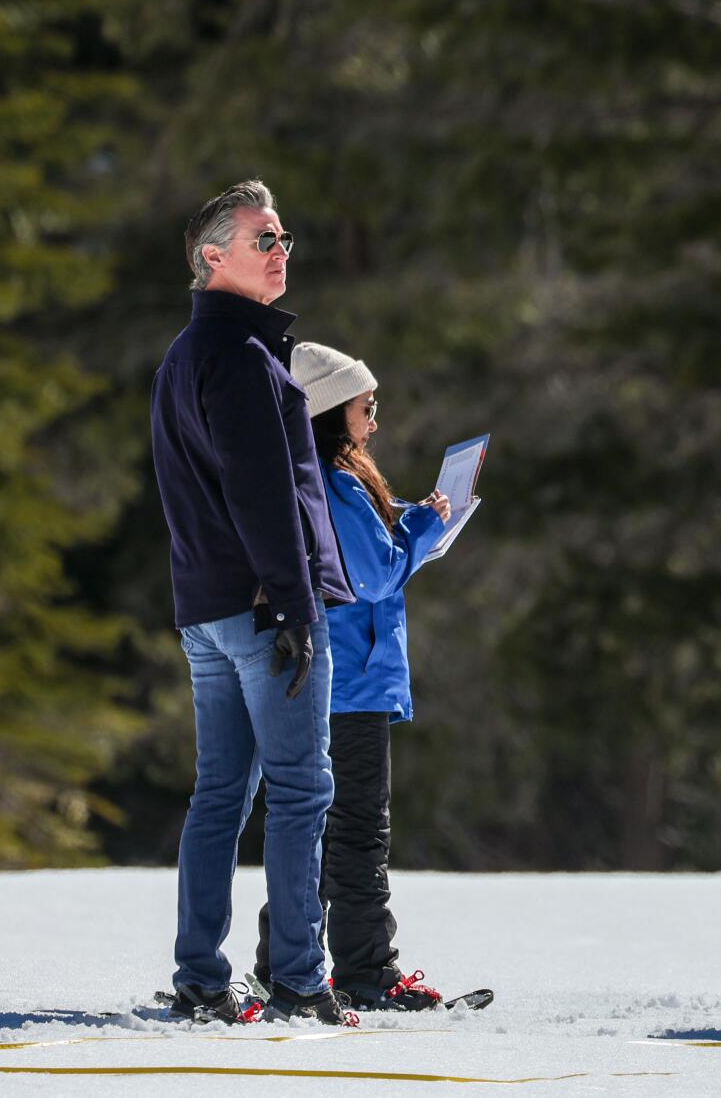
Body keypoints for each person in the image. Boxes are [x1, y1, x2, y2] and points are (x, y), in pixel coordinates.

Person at [149, 179, 354, 1026]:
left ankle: (201, 974)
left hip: (209, 609)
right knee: (302, 789)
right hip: (265, 611)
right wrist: (298, 606)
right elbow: (262, 495)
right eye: (263, 239)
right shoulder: (239, 358)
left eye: (284, 237)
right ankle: (301, 977)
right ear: (213, 257)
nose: (282, 251)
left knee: (221, 794)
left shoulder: (184, 356)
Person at [251, 341, 453, 1011]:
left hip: (333, 674)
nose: (375, 420)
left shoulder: (314, 474)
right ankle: (366, 968)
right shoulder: (337, 482)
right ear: (336, 410)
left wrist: (407, 524)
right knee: (357, 829)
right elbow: (374, 574)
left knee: (316, 826)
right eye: (368, 407)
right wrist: (424, 526)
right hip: (351, 680)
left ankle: (281, 960)